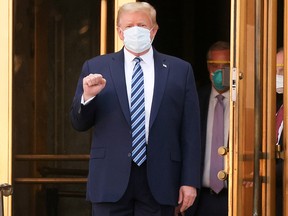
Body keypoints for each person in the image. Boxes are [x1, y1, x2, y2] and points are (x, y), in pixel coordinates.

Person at [69, 2, 201, 216]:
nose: (135, 30)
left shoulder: (180, 70)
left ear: (154, 31)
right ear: (120, 32)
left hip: (161, 180)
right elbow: (78, 123)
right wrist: (88, 97)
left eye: (142, 25)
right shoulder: (96, 67)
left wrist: (189, 181)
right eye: (129, 26)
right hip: (109, 180)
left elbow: (191, 132)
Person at [186, 41, 230, 216]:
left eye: (225, 66)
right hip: (200, 200)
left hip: (237, 197)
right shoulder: (195, 100)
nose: (218, 71)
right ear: (207, 67)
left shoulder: (248, 104)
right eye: (214, 65)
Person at [276, 47, 284, 216]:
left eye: (282, 70)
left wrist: (263, 170)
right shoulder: (279, 108)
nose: (277, 75)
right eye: (275, 70)